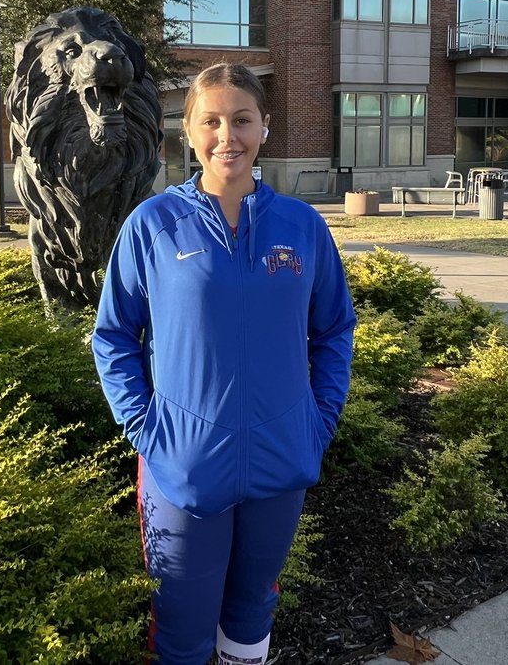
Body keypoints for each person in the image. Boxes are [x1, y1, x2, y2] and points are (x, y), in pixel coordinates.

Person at [93, 63, 356, 664]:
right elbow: (113, 337)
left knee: (251, 613)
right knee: (182, 630)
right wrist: (149, 431)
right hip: (183, 471)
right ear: (186, 131)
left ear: (265, 126)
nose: (226, 137)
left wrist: (316, 424)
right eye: (210, 121)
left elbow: (334, 329)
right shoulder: (152, 226)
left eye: (241, 120)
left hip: (282, 461)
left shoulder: (303, 227)